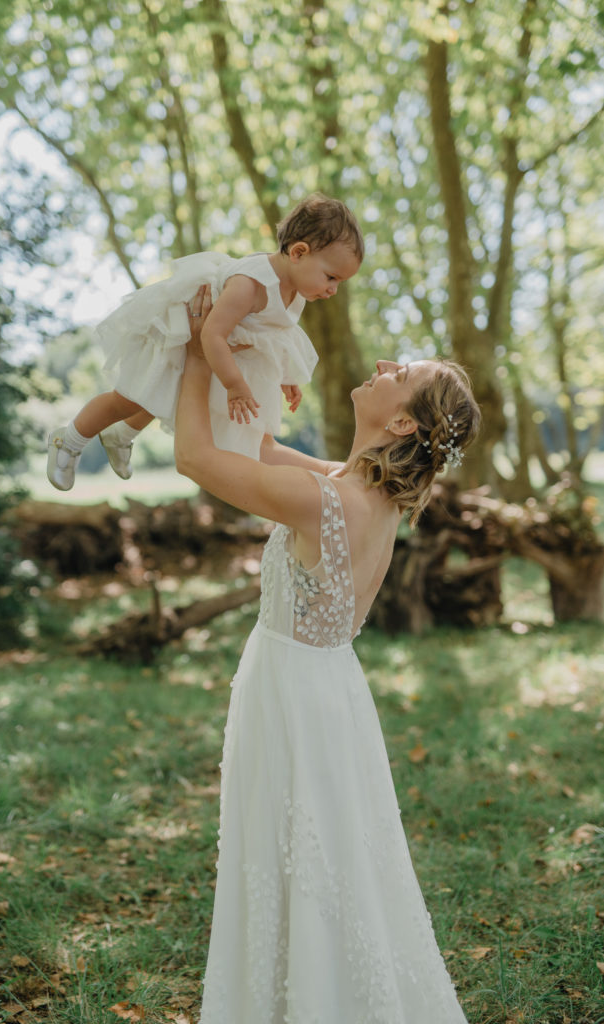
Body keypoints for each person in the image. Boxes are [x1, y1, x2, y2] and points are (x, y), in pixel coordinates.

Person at [173, 285, 481, 1024]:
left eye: (397, 371)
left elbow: (192, 457)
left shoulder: (329, 501)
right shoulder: (358, 490)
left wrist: (190, 353)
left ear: (400, 420)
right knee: (328, 858)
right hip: (327, 688)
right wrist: (244, 356)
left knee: (296, 858)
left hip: (292, 693)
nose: (380, 362)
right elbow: (266, 449)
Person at [46, 194, 363, 491]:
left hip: (222, 348)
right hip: (187, 330)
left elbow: (274, 333)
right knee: (132, 397)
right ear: (298, 253)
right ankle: (70, 438)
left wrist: (285, 375)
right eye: (331, 277)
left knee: (165, 398)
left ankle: (121, 434)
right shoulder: (251, 284)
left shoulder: (296, 289)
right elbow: (210, 333)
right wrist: (234, 384)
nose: (333, 289)